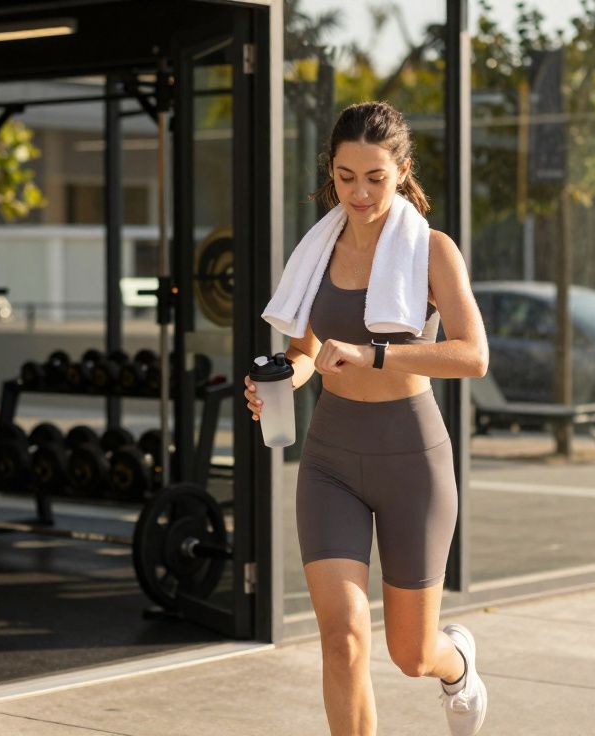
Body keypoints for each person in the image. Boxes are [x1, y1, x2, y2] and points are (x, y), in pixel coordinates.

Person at [246, 102, 490, 735]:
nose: (358, 192)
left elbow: (473, 355)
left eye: (375, 177)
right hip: (330, 460)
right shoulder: (315, 253)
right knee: (343, 639)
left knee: (411, 654)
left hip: (412, 457)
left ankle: (456, 660)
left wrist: (375, 351)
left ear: (401, 172)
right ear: (332, 171)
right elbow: (305, 355)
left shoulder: (432, 251)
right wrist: (279, 379)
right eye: (346, 175)